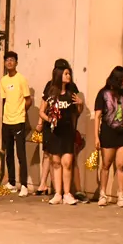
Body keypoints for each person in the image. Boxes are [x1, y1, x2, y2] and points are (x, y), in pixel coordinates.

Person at [39, 60, 84, 205]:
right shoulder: (51, 91)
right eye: (65, 73)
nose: (68, 76)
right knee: (56, 162)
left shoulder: (71, 92)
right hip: (54, 132)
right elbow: (41, 111)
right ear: (59, 75)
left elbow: (78, 112)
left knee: (67, 162)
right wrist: (49, 119)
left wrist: (80, 104)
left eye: (69, 73)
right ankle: (58, 193)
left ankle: (67, 193)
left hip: (67, 131)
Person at [93, 66, 123, 208]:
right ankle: (103, 194)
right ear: (116, 79)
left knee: (121, 165)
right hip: (108, 132)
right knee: (106, 164)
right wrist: (96, 137)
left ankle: (121, 194)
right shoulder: (103, 93)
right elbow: (97, 116)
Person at [0, 50, 32, 196]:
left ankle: (24, 185)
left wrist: (21, 111)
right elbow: (5, 100)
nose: (9, 62)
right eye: (7, 60)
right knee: (9, 153)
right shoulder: (3, 81)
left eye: (12, 60)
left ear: (16, 62)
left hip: (19, 120)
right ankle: (12, 182)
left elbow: (28, 100)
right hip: (6, 121)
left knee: (20, 154)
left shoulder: (21, 79)